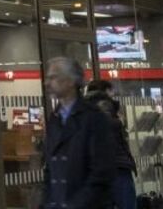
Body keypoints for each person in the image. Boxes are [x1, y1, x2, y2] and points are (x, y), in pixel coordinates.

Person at [42, 56, 114, 209]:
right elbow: (50, 169)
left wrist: (76, 204)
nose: (47, 83)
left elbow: (101, 173)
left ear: (71, 81)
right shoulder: (54, 119)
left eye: (54, 77)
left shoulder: (94, 118)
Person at [84, 78, 137, 209]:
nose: (113, 94)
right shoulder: (104, 105)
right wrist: (119, 121)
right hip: (116, 167)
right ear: (105, 91)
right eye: (111, 91)